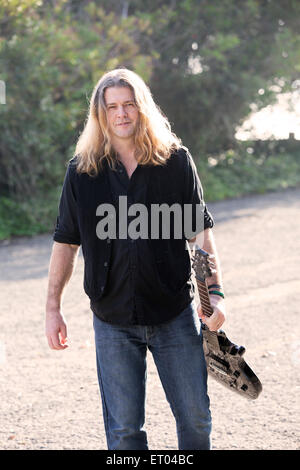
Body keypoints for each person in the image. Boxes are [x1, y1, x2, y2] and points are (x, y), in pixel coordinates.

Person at [45, 68, 226, 450]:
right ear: (100, 114)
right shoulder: (82, 172)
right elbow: (65, 241)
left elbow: (200, 235)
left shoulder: (175, 161)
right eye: (112, 107)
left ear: (142, 108)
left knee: (195, 421)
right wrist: (52, 308)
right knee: (125, 433)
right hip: (112, 320)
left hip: (173, 313)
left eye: (129, 105)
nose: (121, 114)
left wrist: (216, 295)